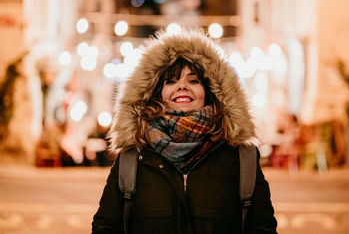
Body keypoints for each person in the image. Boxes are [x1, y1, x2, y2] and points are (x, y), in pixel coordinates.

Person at [92, 29, 277, 234]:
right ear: (157, 94)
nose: (182, 86)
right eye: (170, 81)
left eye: (193, 80)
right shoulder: (131, 162)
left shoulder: (242, 161)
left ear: (210, 92)